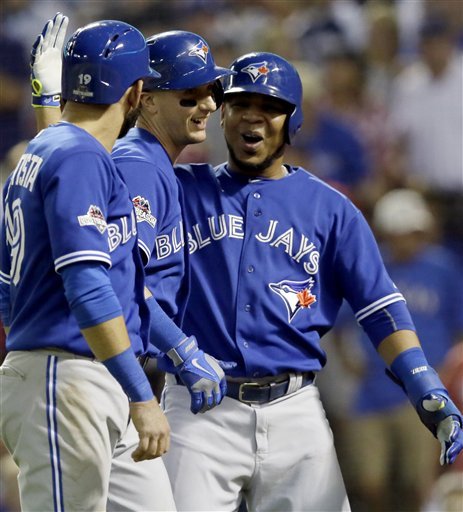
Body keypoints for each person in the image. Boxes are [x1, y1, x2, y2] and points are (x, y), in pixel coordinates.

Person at [159, 52, 463, 511]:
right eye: (241, 104)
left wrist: (423, 380)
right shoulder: (178, 188)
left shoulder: (331, 209)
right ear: (222, 112)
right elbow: (94, 173)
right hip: (198, 406)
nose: (253, 117)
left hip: (293, 408)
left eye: (270, 107)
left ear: (293, 121)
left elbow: (380, 308)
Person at [0, 19, 177, 511]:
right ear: (137, 92)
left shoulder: (45, 150)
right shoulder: (77, 157)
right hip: (67, 378)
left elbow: (5, 286)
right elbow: (86, 285)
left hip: (79, 375)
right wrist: (142, 396)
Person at [30, 14, 236, 414]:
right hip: (102, 366)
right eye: (189, 93)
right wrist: (182, 350)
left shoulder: (153, 161)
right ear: (145, 98)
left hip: (114, 365)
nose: (209, 103)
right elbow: (118, 277)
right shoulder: (140, 165)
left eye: (212, 89)